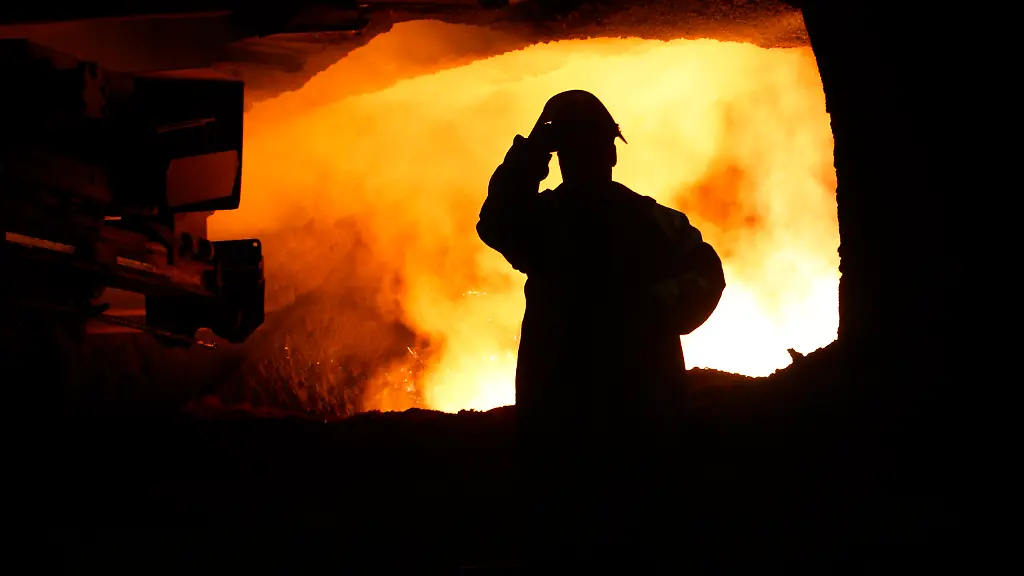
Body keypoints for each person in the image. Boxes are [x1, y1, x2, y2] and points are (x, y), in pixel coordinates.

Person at [477, 90, 725, 572]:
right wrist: (658, 310)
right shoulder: (652, 222)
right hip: (644, 419)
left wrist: (530, 152)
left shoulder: (543, 223)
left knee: (564, 542)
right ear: (612, 151)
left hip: (558, 420)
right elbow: (707, 273)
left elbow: (495, 220)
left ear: (559, 156)